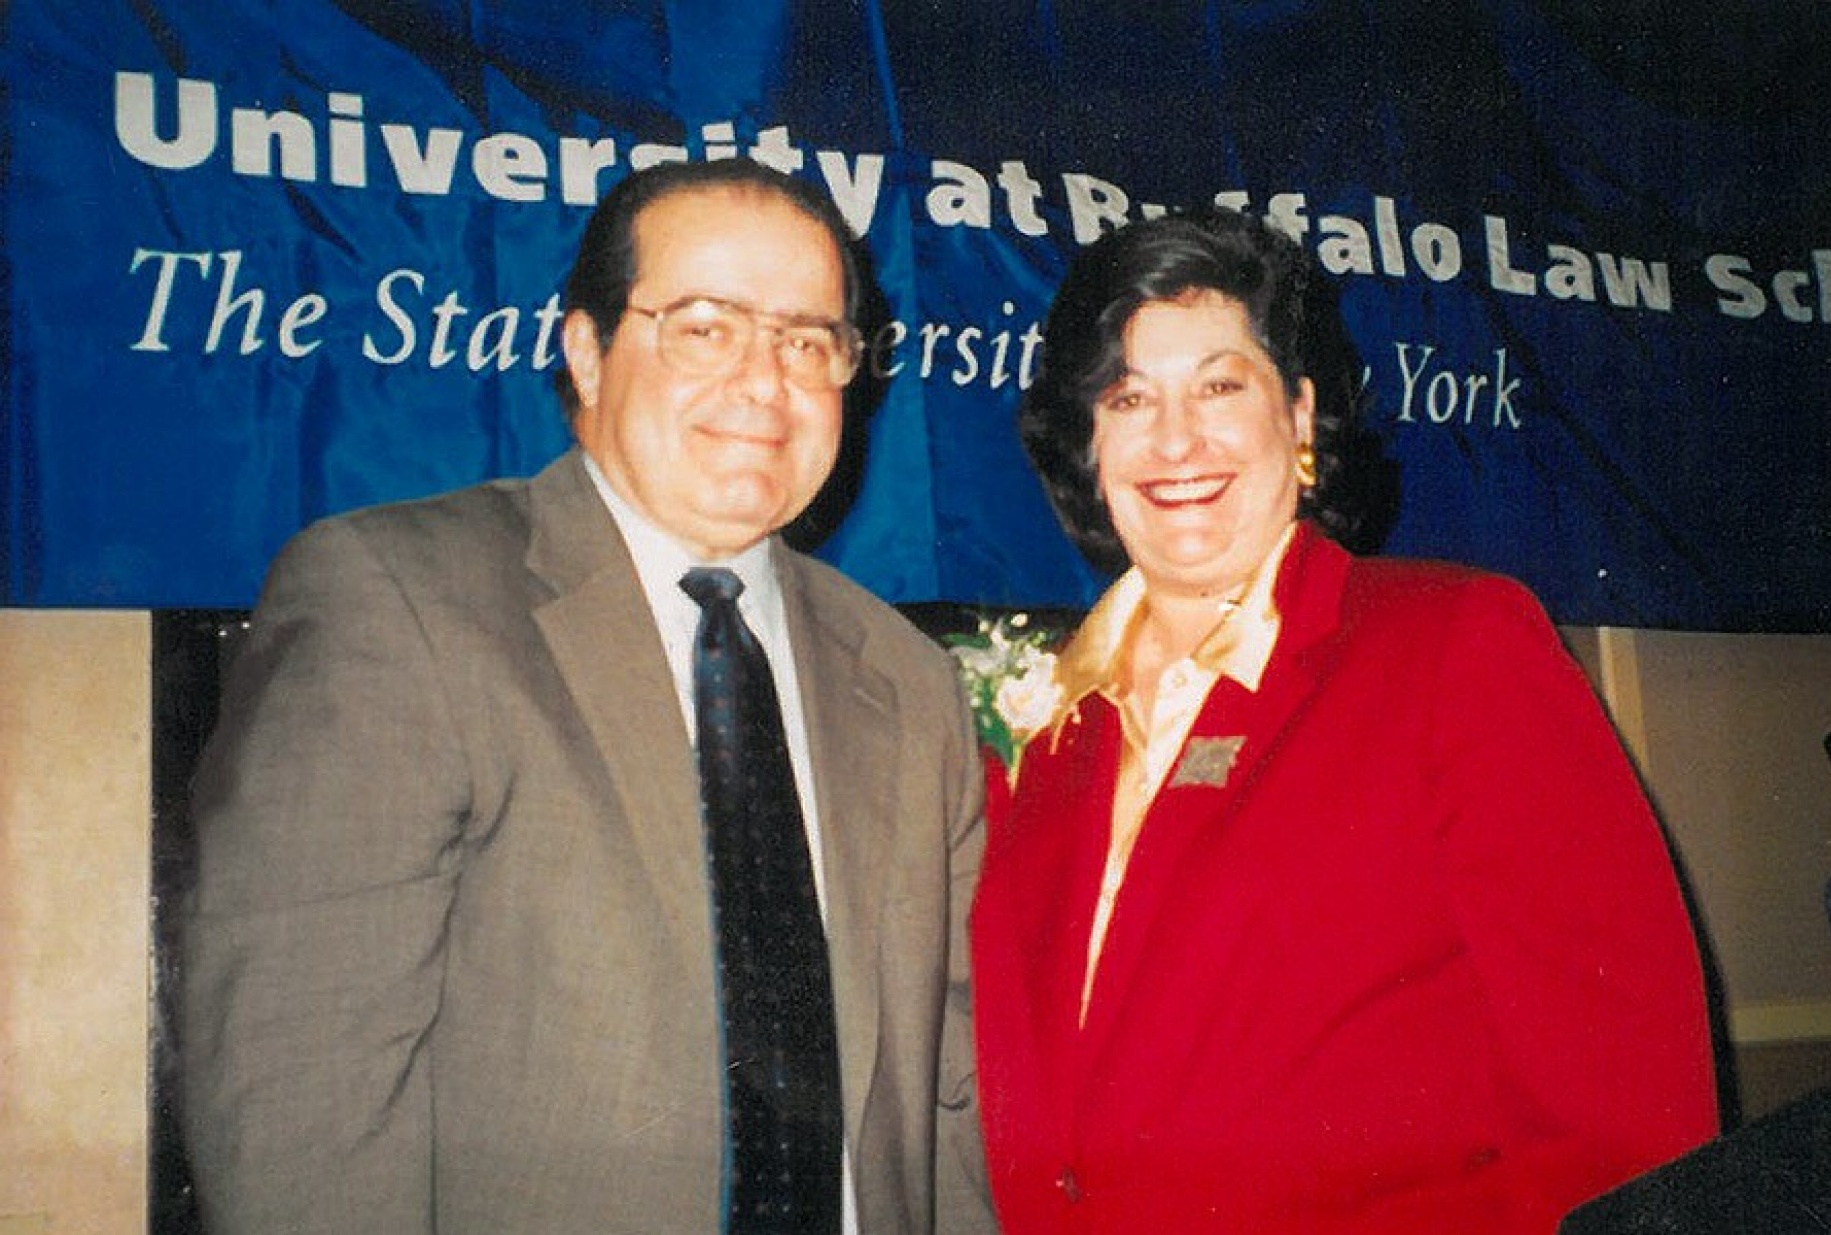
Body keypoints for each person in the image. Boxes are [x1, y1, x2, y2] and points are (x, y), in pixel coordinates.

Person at [181, 157, 994, 1235]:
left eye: (807, 340)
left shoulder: (906, 677)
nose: (765, 380)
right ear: (587, 349)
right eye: (704, 326)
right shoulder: (400, 599)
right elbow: (299, 1085)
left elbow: (948, 1088)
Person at [970, 207, 1719, 1233]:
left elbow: (1632, 1130)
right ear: (1085, 443)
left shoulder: (1453, 646)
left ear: (1301, 414)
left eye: (1219, 384)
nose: (1174, 437)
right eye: (1127, 395)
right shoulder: (1042, 729)